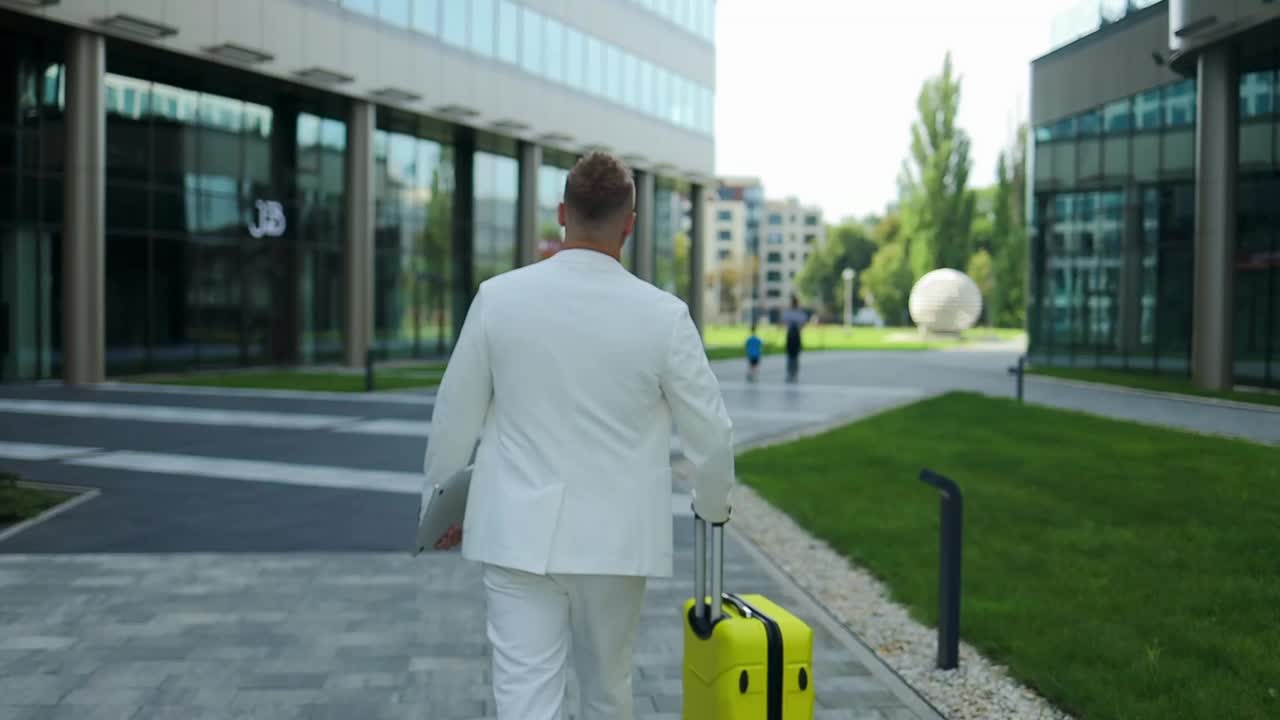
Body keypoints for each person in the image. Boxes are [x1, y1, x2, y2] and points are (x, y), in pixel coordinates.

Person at [422, 152, 736, 720]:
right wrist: (713, 508)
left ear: (562, 212)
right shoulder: (663, 316)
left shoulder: (499, 298)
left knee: (522, 701)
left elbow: (454, 416)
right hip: (616, 543)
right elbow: (711, 436)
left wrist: (438, 510)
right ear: (630, 223)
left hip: (517, 534)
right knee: (608, 694)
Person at [781, 296, 807, 383]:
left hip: (793, 336)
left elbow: (784, 322)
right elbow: (803, 324)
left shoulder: (789, 313)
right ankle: (793, 374)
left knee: (791, 356)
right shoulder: (799, 313)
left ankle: (791, 374)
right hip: (795, 336)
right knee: (794, 356)